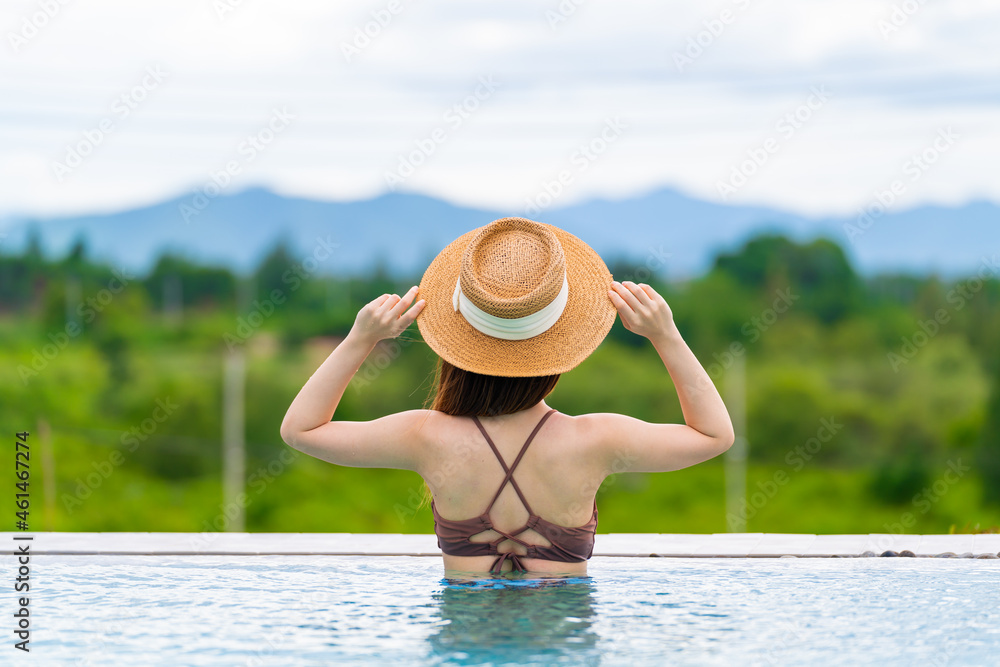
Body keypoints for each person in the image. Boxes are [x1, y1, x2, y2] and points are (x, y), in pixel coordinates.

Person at [280, 217, 734, 575]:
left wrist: (361, 339)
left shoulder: (426, 436)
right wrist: (666, 336)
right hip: (561, 645)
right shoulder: (596, 439)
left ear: (457, 349)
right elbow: (714, 436)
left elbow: (301, 430)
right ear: (557, 351)